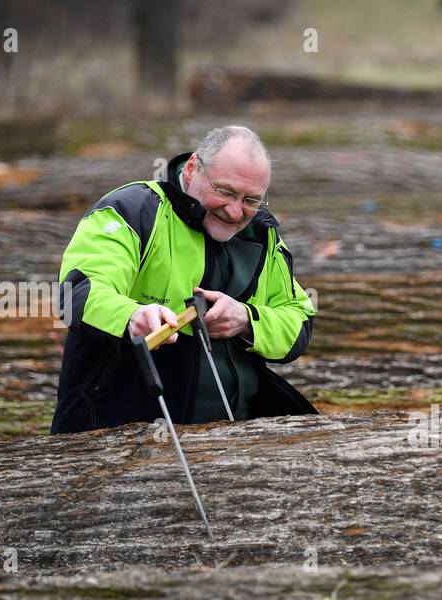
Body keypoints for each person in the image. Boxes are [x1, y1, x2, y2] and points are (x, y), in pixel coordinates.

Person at [50, 125, 316, 433]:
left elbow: (299, 320)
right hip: (114, 426)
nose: (234, 211)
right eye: (226, 192)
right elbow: (79, 290)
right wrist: (132, 317)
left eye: (250, 200)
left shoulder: (262, 236)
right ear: (192, 169)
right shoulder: (132, 210)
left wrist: (247, 320)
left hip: (235, 436)